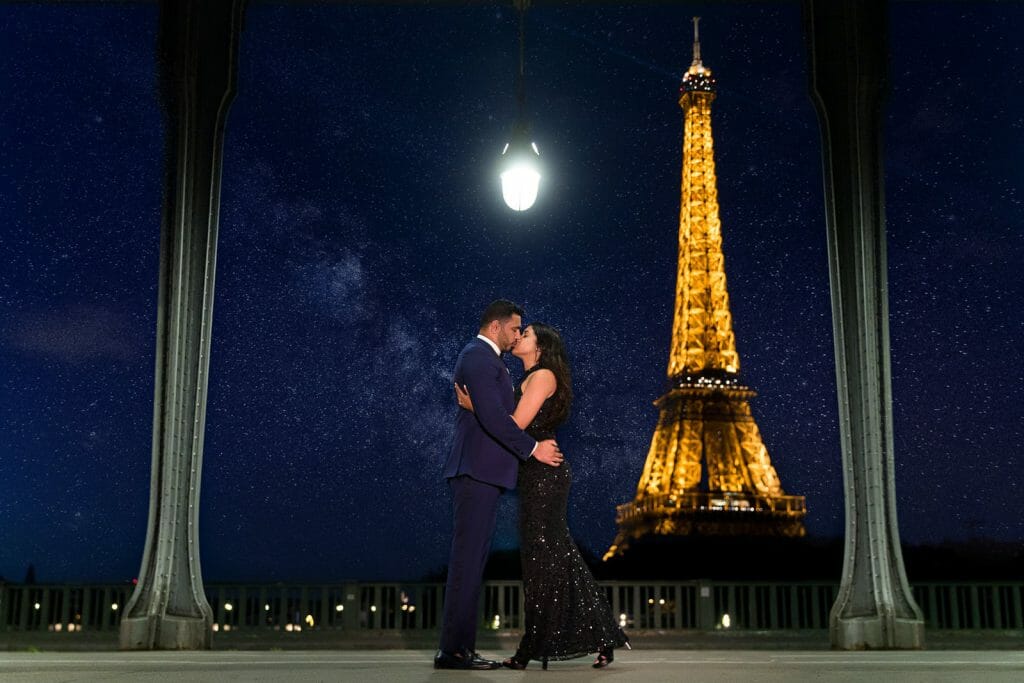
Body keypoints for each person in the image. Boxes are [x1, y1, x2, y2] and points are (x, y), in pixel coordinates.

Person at [456, 322, 629, 670]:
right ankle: (602, 635)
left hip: (544, 478)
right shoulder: (528, 377)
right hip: (535, 474)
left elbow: (515, 425)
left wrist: (474, 406)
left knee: (542, 561)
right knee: (556, 557)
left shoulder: (543, 376)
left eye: (528, 333)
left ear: (541, 346)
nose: (519, 336)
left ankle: (529, 648)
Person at [434, 300, 564, 671]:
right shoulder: (479, 357)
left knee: (471, 563)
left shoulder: (489, 361)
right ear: (495, 326)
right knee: (467, 564)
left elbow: (494, 414)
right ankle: (454, 651)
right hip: (477, 471)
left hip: (482, 473)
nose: (516, 335)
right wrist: (533, 448)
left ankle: (458, 648)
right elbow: (494, 417)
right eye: (513, 329)